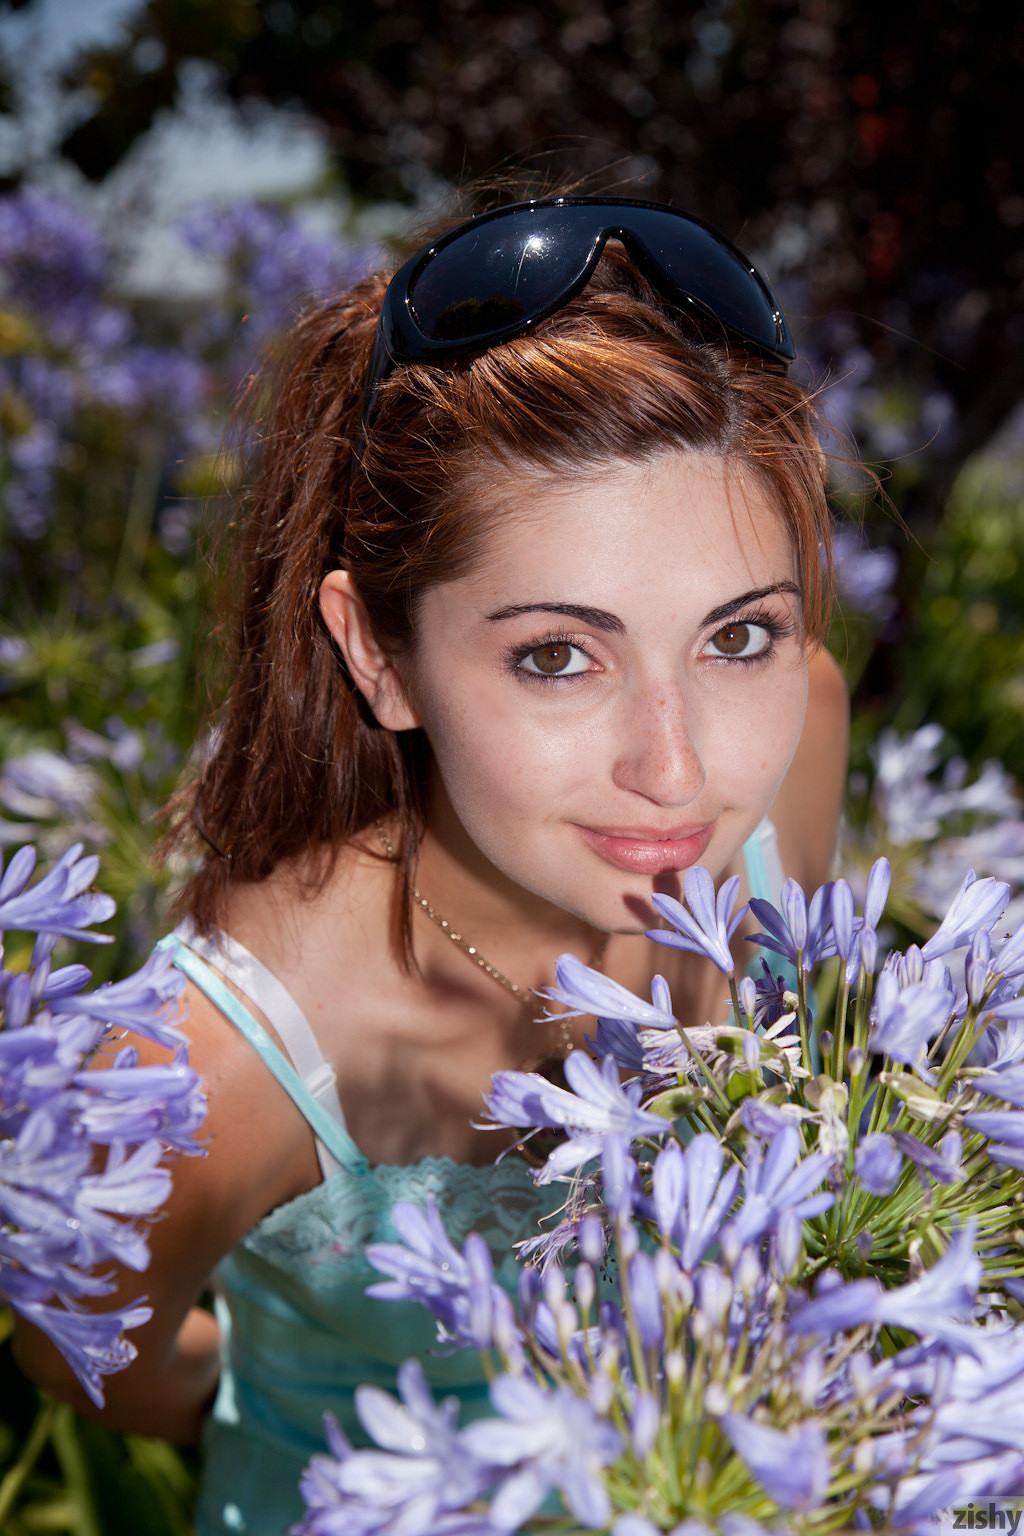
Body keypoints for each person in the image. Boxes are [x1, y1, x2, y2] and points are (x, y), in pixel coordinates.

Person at [14, 195, 849, 1534]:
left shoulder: (801, 732)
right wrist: (309, 1409)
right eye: (557, 656)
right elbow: (92, 1362)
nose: (681, 772)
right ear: (378, 654)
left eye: (735, 636)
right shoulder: (210, 1069)